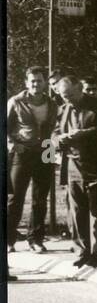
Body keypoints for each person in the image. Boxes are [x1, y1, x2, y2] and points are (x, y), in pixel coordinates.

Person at [52, 74, 97, 267]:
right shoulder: (63, 109)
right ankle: (82, 250)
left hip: (95, 165)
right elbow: (54, 131)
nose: (66, 98)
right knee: (77, 210)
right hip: (72, 165)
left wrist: (81, 135)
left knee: (96, 210)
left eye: (69, 94)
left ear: (80, 88)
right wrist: (57, 139)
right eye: (63, 95)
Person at [6, 66, 57, 253]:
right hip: (23, 151)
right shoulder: (16, 101)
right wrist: (13, 143)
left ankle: (35, 239)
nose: (36, 84)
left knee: (40, 198)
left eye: (40, 80)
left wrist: (52, 152)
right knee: (15, 198)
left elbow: (55, 128)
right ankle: (9, 240)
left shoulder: (52, 103)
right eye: (32, 81)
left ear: (45, 83)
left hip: (45, 150)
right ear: (27, 82)